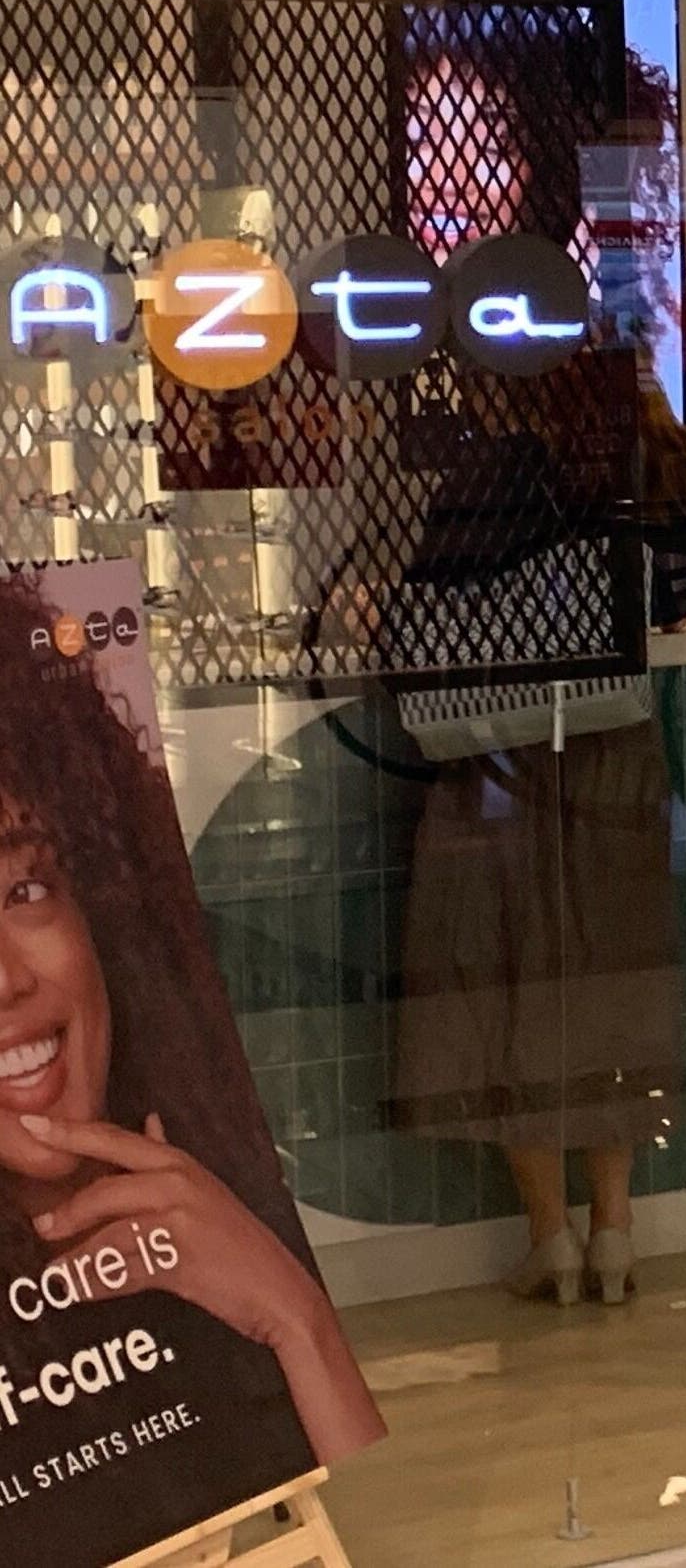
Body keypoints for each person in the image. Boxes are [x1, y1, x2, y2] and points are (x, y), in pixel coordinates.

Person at [378, 0, 686, 1312]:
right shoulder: (627, 395)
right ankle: (618, 1229)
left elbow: (421, 589)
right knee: (612, 982)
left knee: (501, 993)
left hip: (489, 746)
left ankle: (551, 1242)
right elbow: (684, 560)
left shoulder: (458, 405)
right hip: (614, 729)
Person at [0, 573, 385, 1563]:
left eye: (27, 887)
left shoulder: (204, 1205)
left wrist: (294, 1316)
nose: (6, 980)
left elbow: (334, 1497)